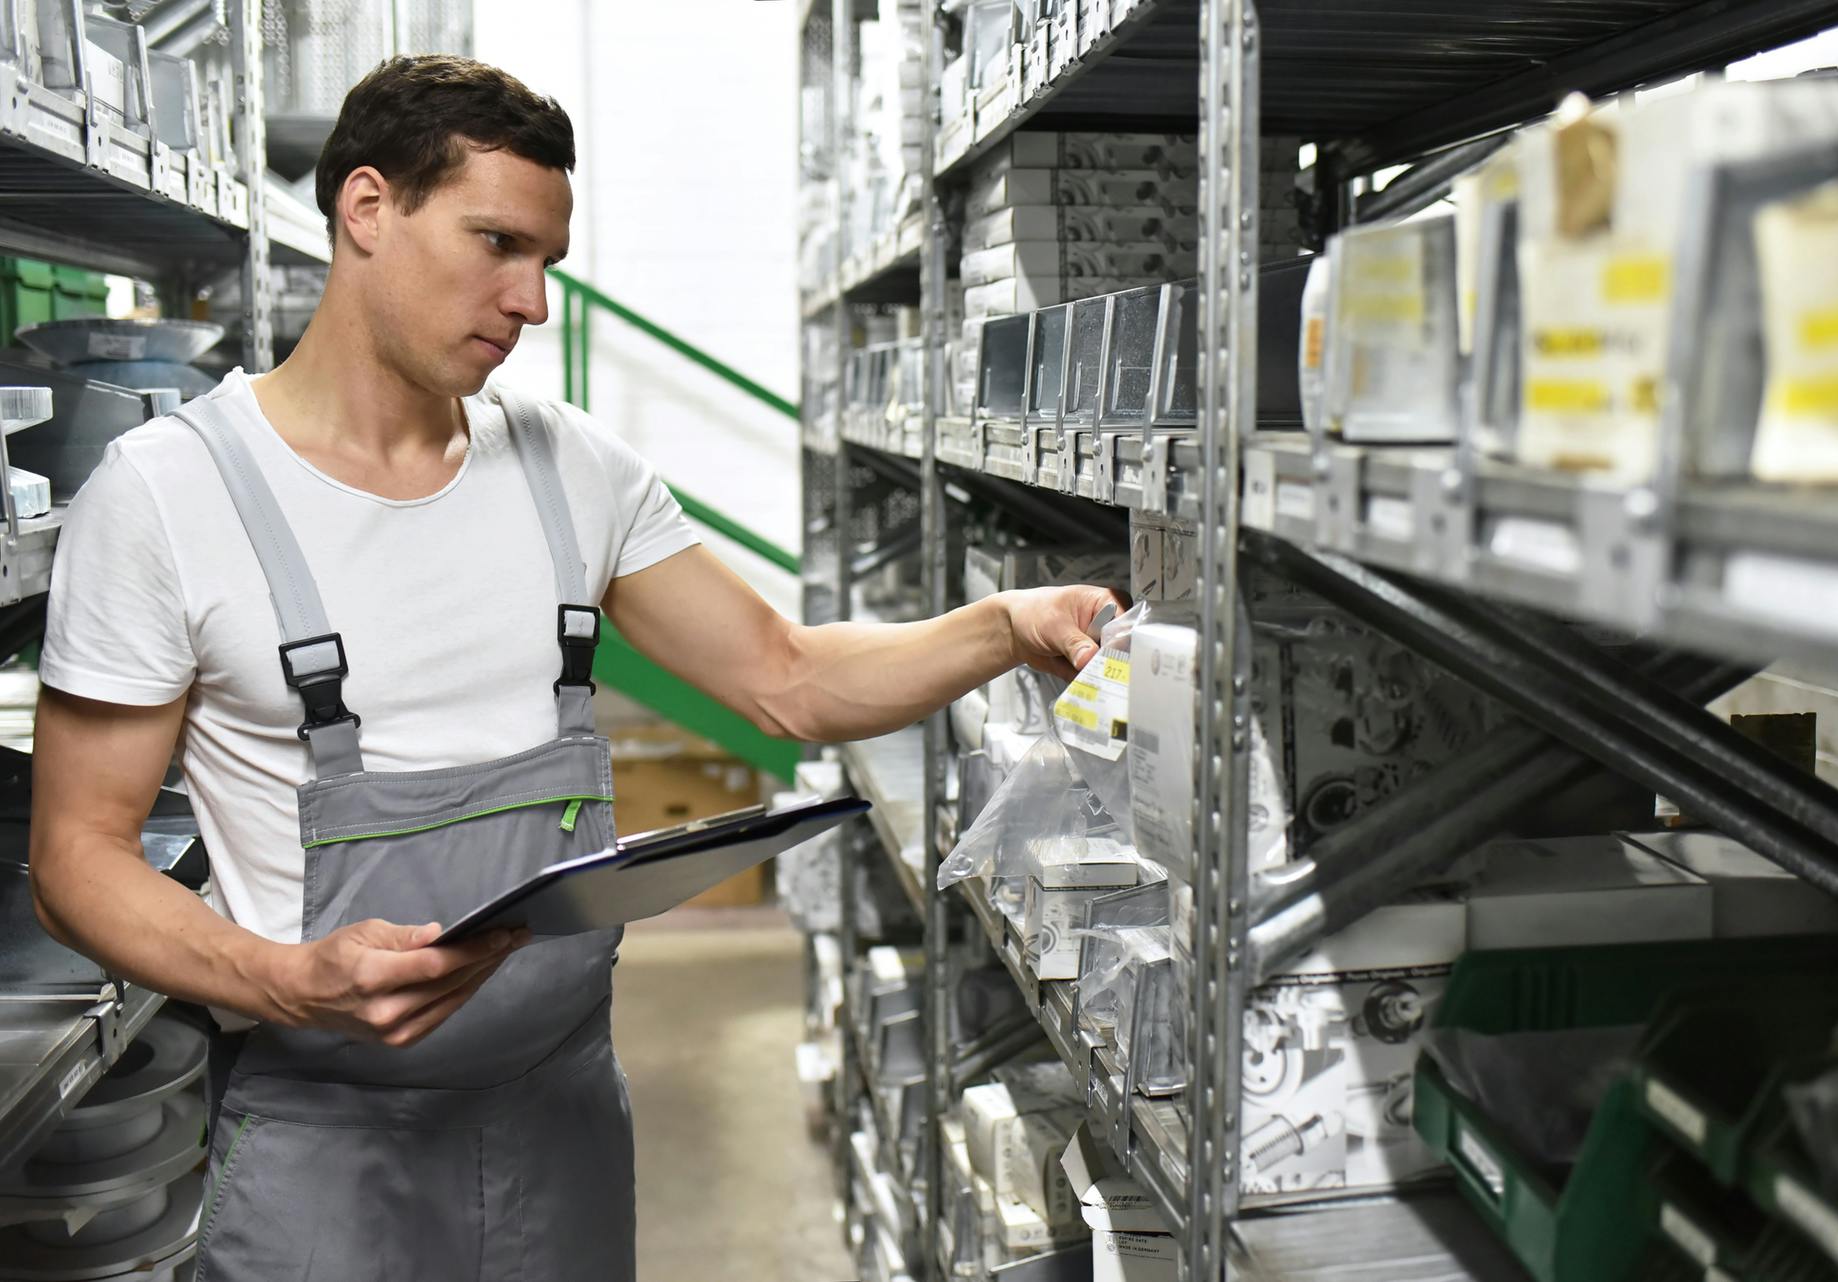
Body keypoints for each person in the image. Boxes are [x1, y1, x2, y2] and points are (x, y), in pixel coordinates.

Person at [27, 55, 1117, 1281]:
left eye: (547, 261)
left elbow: (789, 677)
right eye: (497, 243)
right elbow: (77, 856)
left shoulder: (571, 470)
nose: (532, 302)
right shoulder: (171, 495)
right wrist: (283, 977)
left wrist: (1008, 624)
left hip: (564, 1125)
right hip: (325, 1149)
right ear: (368, 209)